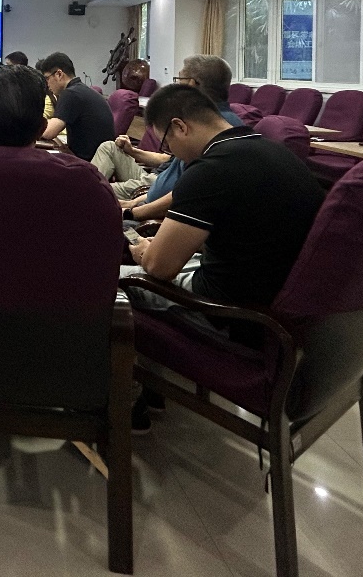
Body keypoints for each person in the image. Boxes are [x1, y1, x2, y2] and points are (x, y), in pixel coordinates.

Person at [124, 84, 324, 429]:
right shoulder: (274, 152)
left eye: (166, 144)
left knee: (111, 285)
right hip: (284, 306)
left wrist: (144, 252)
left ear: (179, 126)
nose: (170, 153)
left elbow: (159, 267)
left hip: (233, 314)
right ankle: (151, 388)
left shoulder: (209, 169)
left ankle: (126, 401)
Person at [118, 55, 245, 224]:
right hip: (148, 204)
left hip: (160, 218)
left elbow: (188, 194)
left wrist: (131, 213)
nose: (176, 86)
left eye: (179, 79)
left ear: (191, 84)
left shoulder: (211, 131)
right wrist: (134, 204)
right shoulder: (208, 124)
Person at [36, 51, 114, 161]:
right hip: (97, 158)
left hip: (90, 163)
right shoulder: (79, 90)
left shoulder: (71, 93)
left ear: (59, 74)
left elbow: (49, 132)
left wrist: (27, 128)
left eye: (47, 78)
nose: (47, 84)